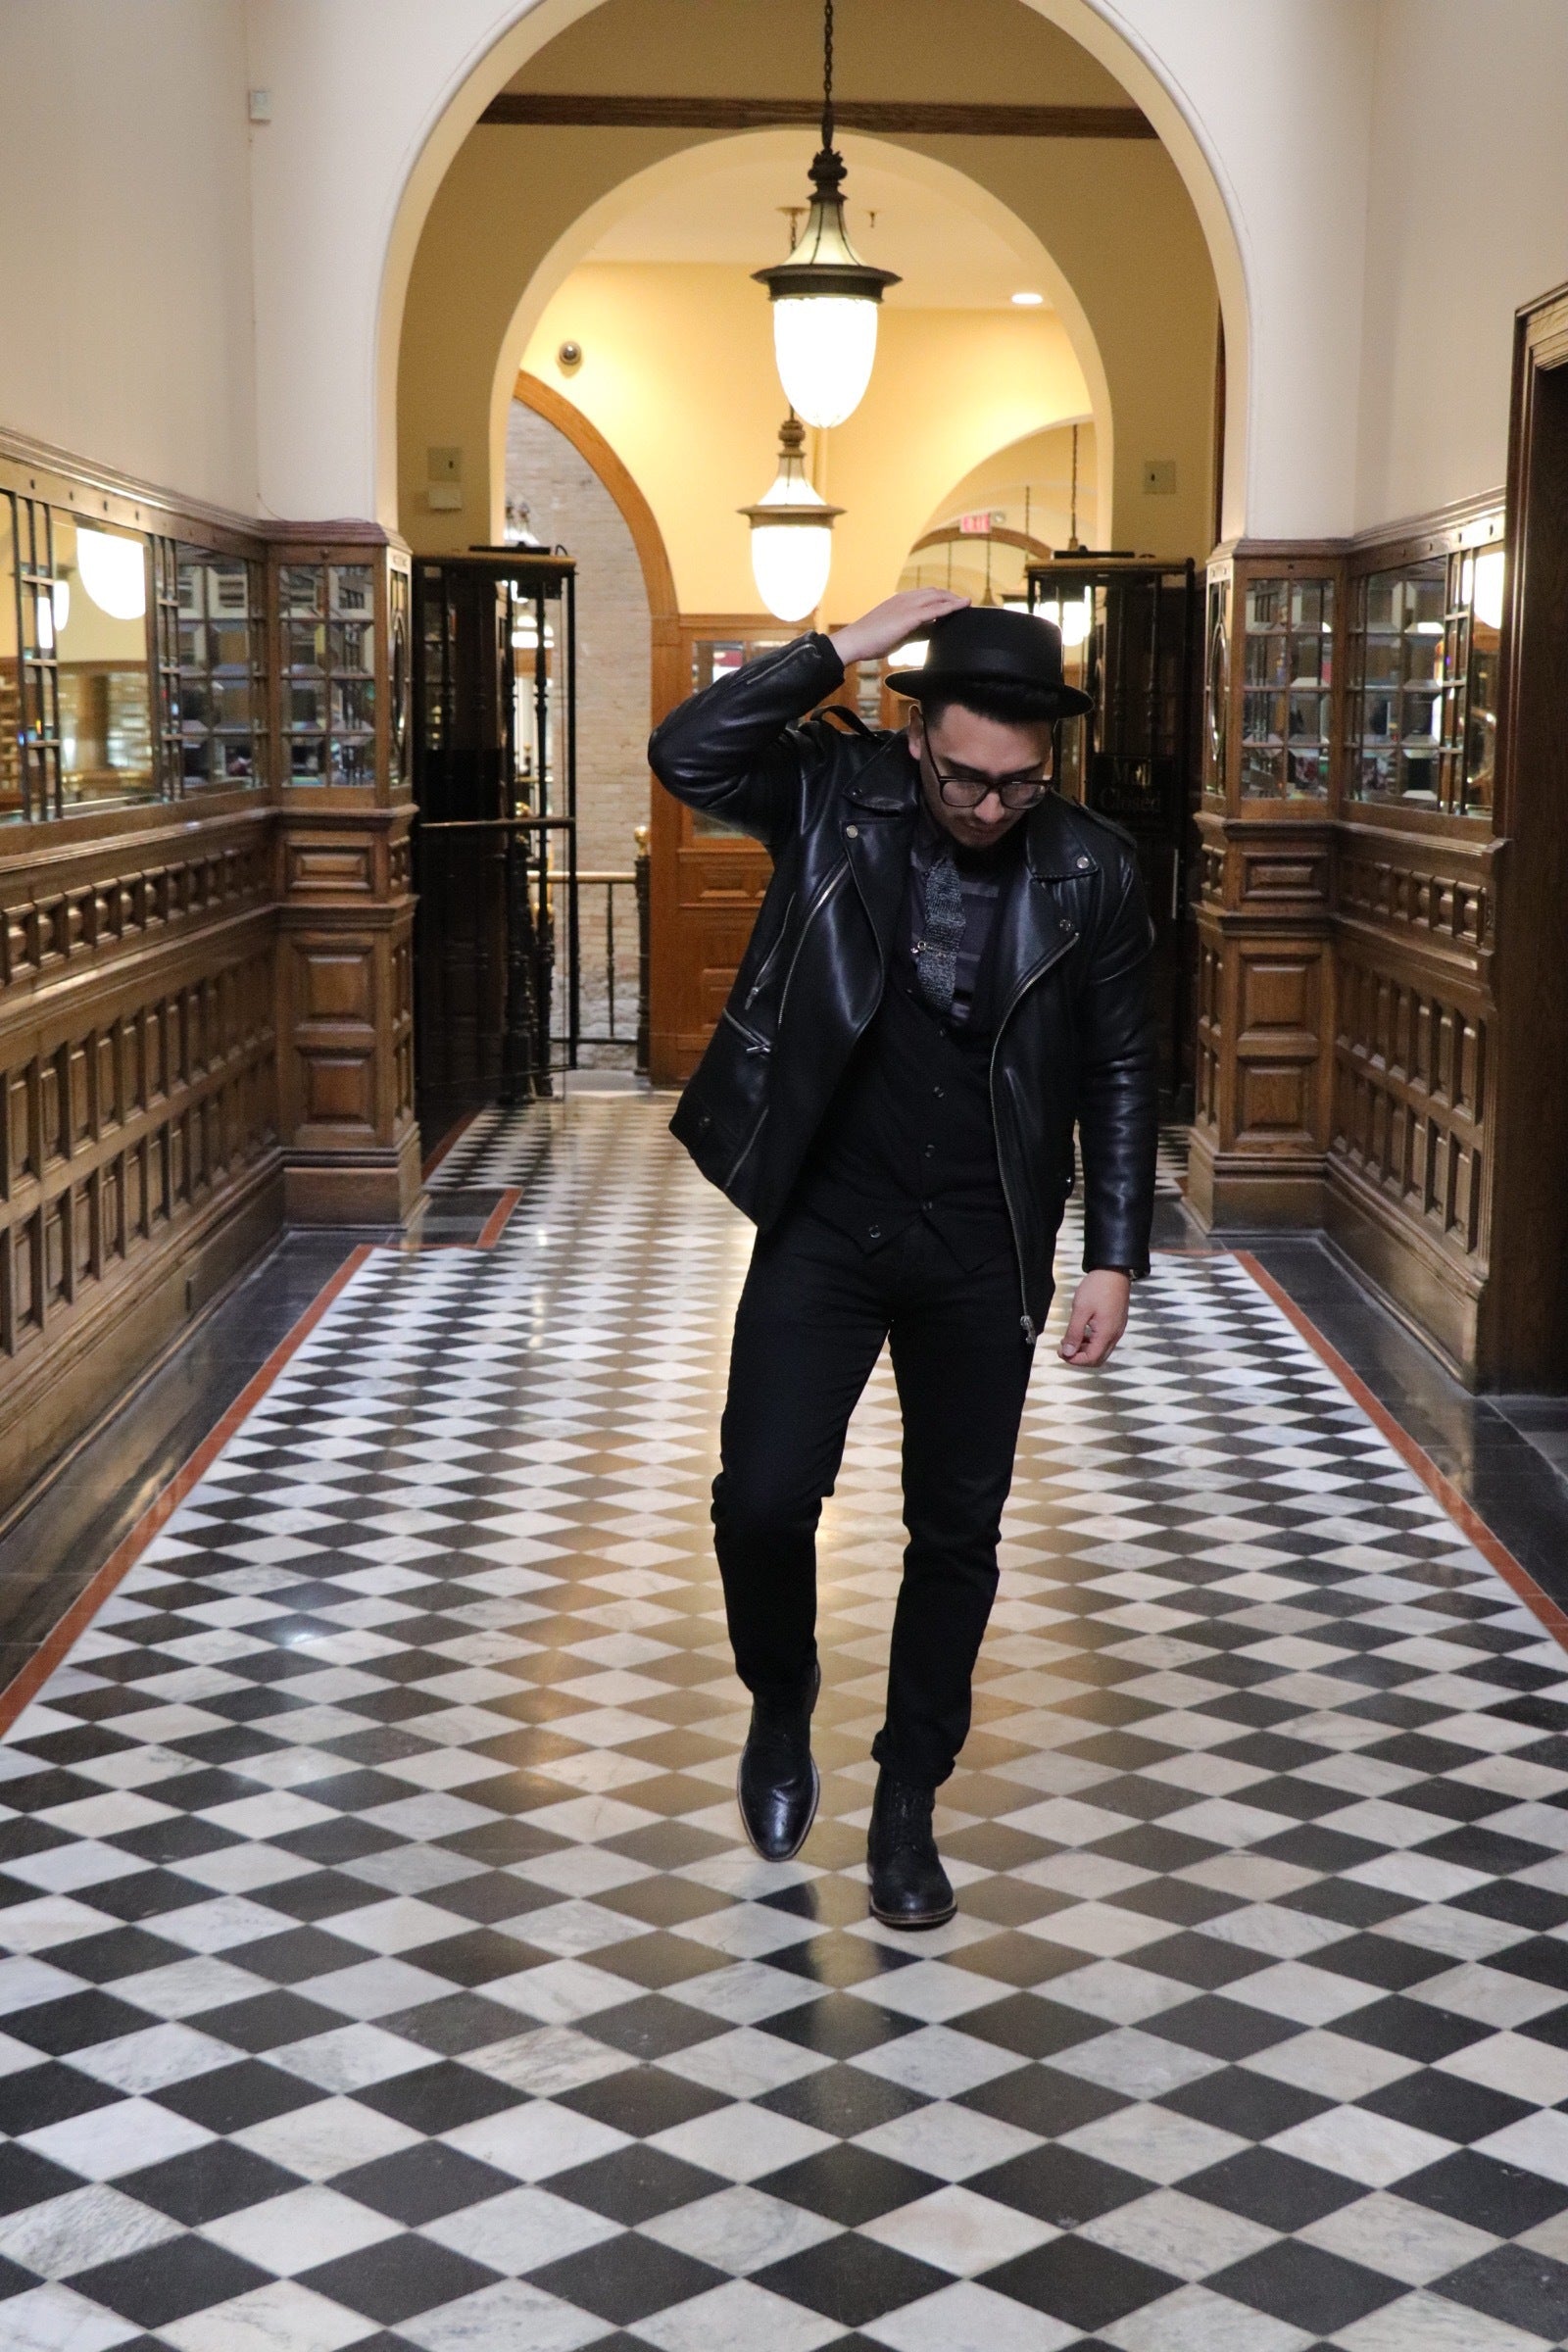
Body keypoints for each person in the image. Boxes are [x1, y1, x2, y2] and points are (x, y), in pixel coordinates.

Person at [649, 591, 1157, 1928]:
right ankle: (781, 1695)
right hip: (829, 1215)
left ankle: (908, 1798)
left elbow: (1119, 1065)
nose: (986, 808)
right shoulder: (835, 795)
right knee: (763, 1500)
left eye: (1017, 786)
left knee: (957, 1533)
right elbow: (687, 752)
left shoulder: (1094, 870)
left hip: (985, 1235)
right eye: (962, 777)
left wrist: (1114, 1254)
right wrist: (843, 647)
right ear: (915, 732)